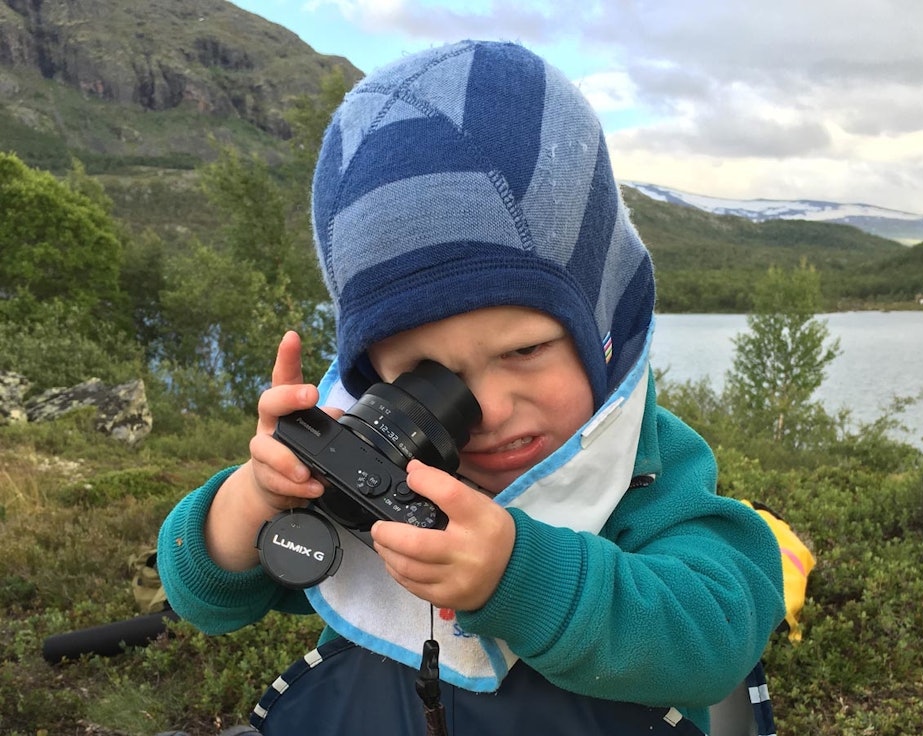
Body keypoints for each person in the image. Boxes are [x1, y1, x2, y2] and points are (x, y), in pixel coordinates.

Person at [157, 39, 785, 735]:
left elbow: (718, 636)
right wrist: (255, 499)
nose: (484, 410)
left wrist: (520, 577)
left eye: (525, 349)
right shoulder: (382, 466)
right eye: (426, 378)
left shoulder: (649, 471)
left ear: (603, 324)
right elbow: (206, 597)